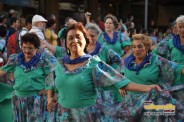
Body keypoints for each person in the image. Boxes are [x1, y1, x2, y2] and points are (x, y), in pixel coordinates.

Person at [47, 22, 164, 122]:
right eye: (70, 38)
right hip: (62, 116)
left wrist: (148, 87)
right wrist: (50, 98)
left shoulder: (93, 63)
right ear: (66, 42)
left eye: (78, 37)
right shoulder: (60, 64)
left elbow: (121, 82)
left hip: (85, 117)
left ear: (86, 40)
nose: (74, 41)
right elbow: (50, 80)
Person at [123, 33, 184, 121]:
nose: (136, 50)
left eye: (140, 46)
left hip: (149, 103)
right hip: (130, 104)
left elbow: (176, 68)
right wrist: (121, 85)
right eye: (134, 47)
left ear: (147, 47)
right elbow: (119, 75)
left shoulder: (156, 60)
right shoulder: (127, 62)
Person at [0, 33, 57, 121]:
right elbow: (2, 71)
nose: (26, 51)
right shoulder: (15, 59)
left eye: (30, 48)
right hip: (18, 101)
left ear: (36, 48)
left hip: (36, 101)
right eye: (24, 47)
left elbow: (50, 80)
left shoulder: (44, 61)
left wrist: (48, 94)